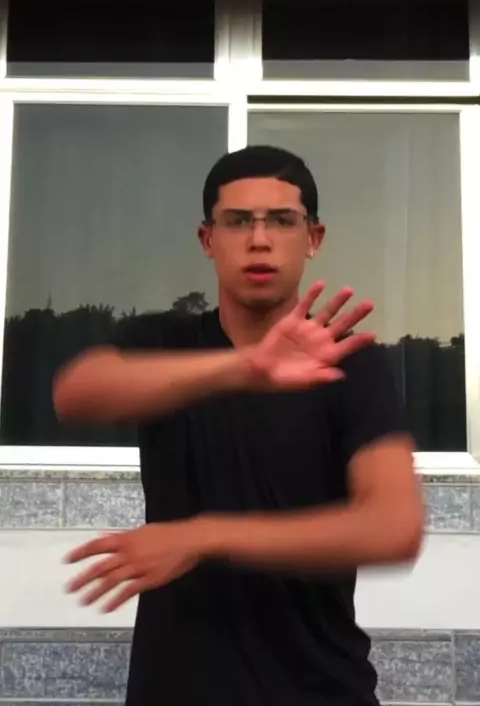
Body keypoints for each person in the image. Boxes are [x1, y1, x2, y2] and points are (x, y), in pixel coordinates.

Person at [54, 145, 424, 706]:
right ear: (208, 239)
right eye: (238, 221)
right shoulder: (163, 342)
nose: (259, 239)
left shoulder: (349, 365)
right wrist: (245, 367)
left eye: (282, 220)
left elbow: (393, 526)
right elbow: (77, 392)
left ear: (314, 237)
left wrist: (203, 536)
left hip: (320, 689)